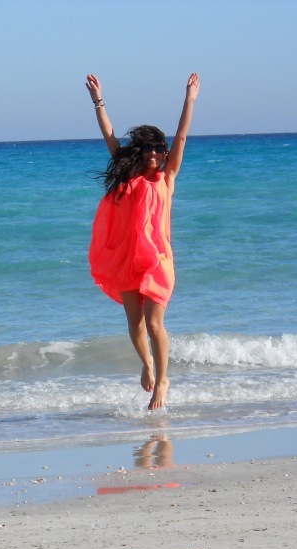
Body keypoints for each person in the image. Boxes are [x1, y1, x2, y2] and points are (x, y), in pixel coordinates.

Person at [86, 72, 200, 410]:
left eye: (158, 148)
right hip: (128, 258)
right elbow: (109, 136)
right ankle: (147, 363)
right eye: (147, 147)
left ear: (164, 153)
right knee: (134, 324)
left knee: (153, 323)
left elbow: (182, 136)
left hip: (158, 261)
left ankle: (162, 381)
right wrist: (98, 100)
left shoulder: (167, 177)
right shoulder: (130, 176)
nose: (152, 152)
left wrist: (189, 99)